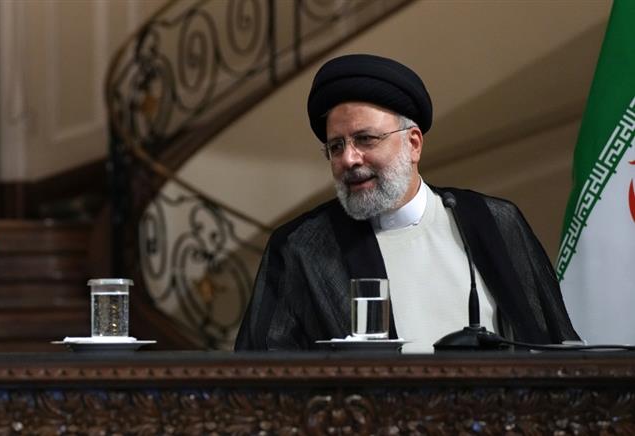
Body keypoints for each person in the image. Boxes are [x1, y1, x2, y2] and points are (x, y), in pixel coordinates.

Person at [234, 54, 578, 353]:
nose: (349, 159)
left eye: (365, 139)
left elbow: (556, 348)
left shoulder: (493, 221)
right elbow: (262, 375)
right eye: (336, 147)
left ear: (413, 144)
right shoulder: (302, 247)